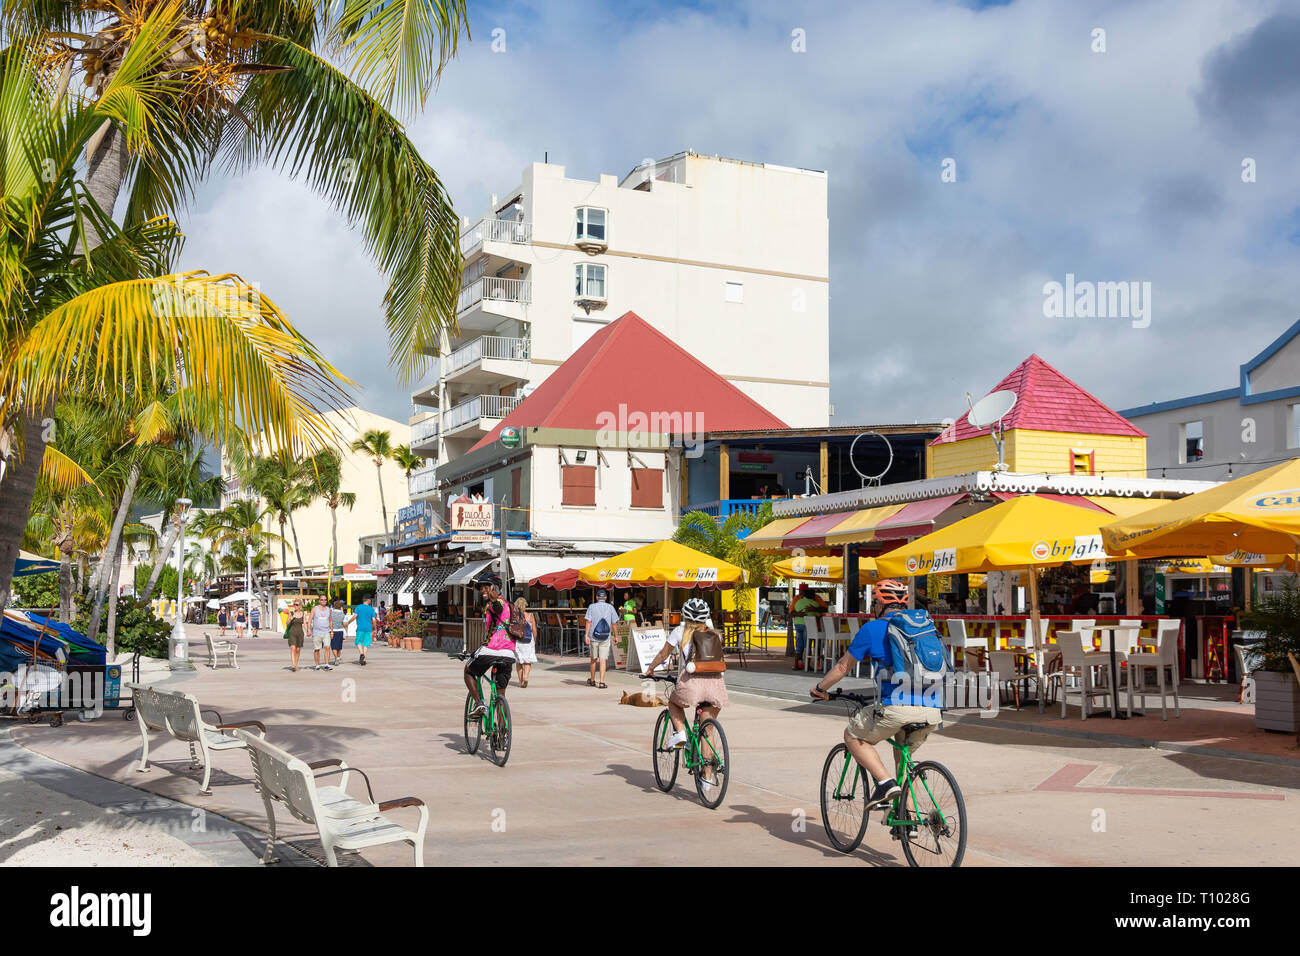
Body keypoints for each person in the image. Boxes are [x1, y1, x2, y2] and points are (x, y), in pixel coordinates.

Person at [809, 579, 942, 809]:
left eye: (874, 602)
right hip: (932, 709)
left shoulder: (872, 628)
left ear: (880, 603)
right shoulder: (925, 628)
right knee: (905, 765)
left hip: (896, 708)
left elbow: (843, 667)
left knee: (852, 735)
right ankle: (908, 821)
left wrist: (821, 689)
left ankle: (884, 783)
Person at [641, 597, 728, 797]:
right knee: (708, 730)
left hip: (692, 683)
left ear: (684, 615)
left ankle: (680, 733)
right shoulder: (716, 635)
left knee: (673, 703)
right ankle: (707, 776)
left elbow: (664, 654)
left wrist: (650, 670)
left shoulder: (680, 632)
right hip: (716, 684)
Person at [463, 576, 515, 717]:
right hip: (509, 653)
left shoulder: (496, 603)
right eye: (481, 588)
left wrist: (493, 598)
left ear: (494, 588)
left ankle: (479, 703)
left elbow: (497, 608)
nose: (482, 590)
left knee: (468, 671)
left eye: (486, 587)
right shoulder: (510, 605)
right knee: (500, 695)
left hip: (491, 650)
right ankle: (501, 735)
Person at [584, 589, 620, 689]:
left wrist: (586, 635)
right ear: (605, 598)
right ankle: (601, 682)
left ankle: (592, 680)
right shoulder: (610, 607)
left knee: (593, 659)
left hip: (593, 636)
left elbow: (588, 622)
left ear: (596, 597)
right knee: (603, 660)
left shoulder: (591, 607)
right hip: (605, 636)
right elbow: (614, 623)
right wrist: (616, 636)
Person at [791, 584, 825, 670]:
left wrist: (798, 614)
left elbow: (792, 611)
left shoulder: (798, 601)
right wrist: (814, 610)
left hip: (798, 624)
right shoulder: (814, 602)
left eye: (801, 591)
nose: (800, 592)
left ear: (805, 593)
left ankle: (797, 665)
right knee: (808, 645)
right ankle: (807, 665)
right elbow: (821, 614)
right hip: (809, 626)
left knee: (799, 645)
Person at [512, 596, 537, 687]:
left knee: (519, 662)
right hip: (528, 640)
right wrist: (534, 639)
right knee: (527, 661)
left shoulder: (515, 616)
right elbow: (534, 630)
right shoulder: (530, 616)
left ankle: (520, 681)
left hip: (518, 641)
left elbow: (512, 629)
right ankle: (526, 677)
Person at [308, 596, 333, 670]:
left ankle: (327, 664)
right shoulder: (314, 609)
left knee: (327, 647)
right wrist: (308, 630)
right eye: (322, 600)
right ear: (319, 601)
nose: (323, 601)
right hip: (317, 632)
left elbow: (330, 621)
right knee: (317, 649)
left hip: (326, 631)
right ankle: (317, 665)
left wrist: (332, 631)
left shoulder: (328, 610)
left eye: (325, 600)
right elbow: (309, 620)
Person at [351, 594, 376, 665]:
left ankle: (361, 654)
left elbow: (355, 616)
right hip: (368, 628)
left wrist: (349, 622)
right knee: (366, 643)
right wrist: (375, 628)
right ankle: (364, 659)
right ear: (368, 600)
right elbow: (373, 620)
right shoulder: (371, 609)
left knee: (358, 642)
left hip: (360, 628)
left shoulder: (358, 607)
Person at [285, 601, 306, 671]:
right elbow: (287, 624)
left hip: (300, 633)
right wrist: (291, 618)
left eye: (296, 605)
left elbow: (304, 624)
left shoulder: (303, 614)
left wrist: (308, 630)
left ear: (300, 606)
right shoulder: (291, 613)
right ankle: (293, 665)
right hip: (292, 633)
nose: (295, 606)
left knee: (298, 650)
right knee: (293, 648)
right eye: (294, 604)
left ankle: (296, 664)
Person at [329, 599, 347, 667]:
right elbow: (344, 624)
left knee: (333, 646)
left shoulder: (331, 614)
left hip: (333, 631)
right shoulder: (342, 615)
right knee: (339, 647)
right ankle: (338, 658)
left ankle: (336, 658)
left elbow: (329, 622)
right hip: (340, 631)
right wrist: (346, 632)